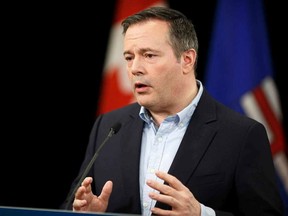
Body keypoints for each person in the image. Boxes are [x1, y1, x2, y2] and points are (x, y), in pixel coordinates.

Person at [61, 6, 284, 216]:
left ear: (187, 60)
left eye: (149, 55)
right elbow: (70, 203)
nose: (134, 68)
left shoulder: (241, 135)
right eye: (129, 57)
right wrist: (83, 213)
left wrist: (201, 213)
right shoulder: (107, 127)